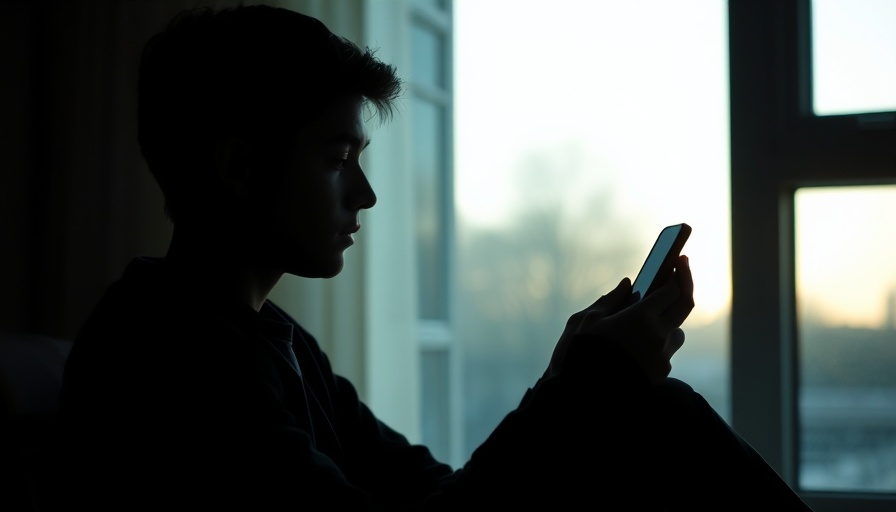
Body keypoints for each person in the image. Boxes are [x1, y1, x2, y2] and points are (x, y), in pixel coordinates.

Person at [58, 4, 813, 511]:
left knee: (650, 412)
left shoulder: (269, 343)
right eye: (336, 158)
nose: (365, 194)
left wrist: (568, 376)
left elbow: (433, 494)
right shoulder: (167, 362)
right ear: (240, 168)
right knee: (650, 412)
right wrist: (589, 386)